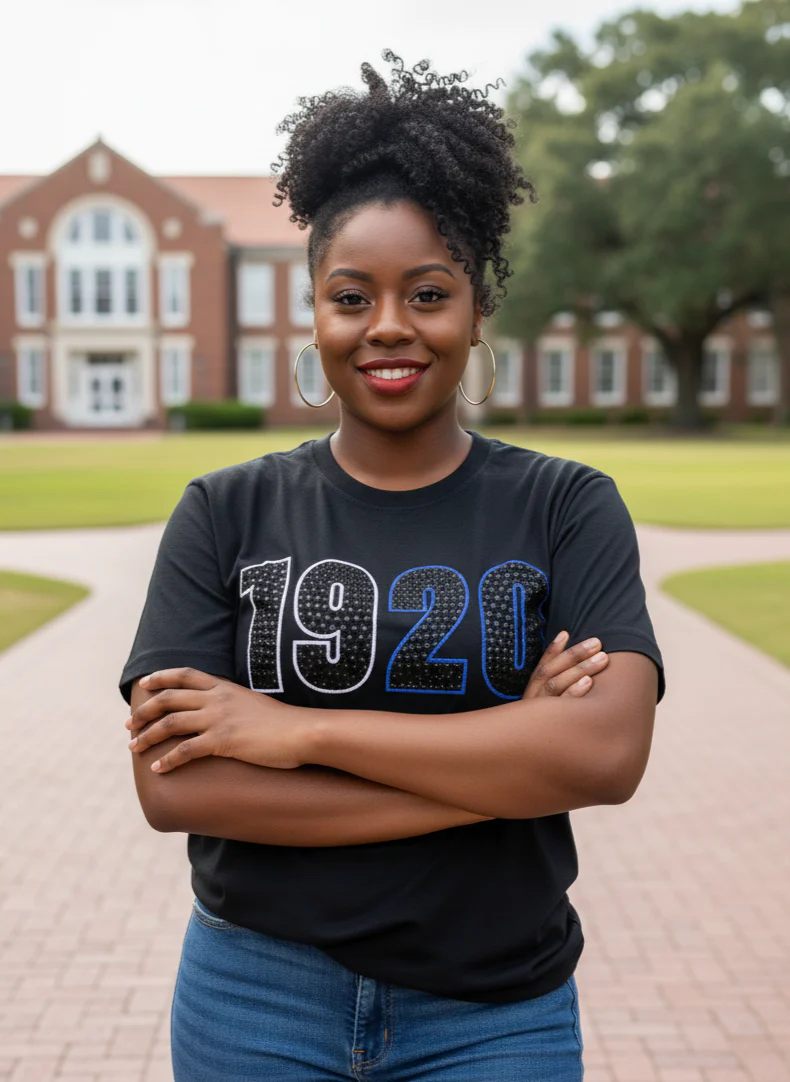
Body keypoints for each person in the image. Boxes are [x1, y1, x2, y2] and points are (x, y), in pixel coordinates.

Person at [120, 51, 664, 1082]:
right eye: (349, 295)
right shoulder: (224, 510)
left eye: (426, 291)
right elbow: (175, 785)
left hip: (496, 1005)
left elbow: (602, 753)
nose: (387, 327)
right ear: (314, 314)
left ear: (473, 308)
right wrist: (505, 767)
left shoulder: (565, 505)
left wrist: (296, 730)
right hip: (255, 993)